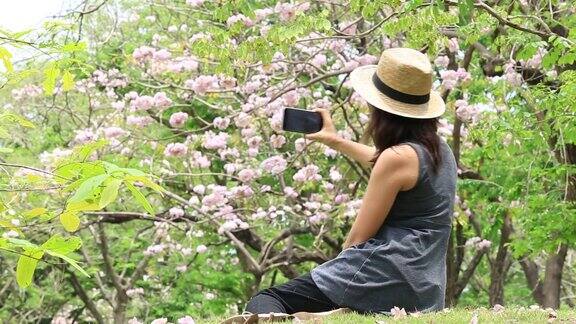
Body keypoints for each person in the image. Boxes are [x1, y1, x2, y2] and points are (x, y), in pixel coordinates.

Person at [244, 47, 458, 316]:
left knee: (266, 300)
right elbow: (384, 161)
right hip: (424, 287)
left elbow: (357, 238)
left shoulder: (395, 158)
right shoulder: (439, 150)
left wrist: (339, 278)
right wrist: (335, 140)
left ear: (380, 110)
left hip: (384, 275)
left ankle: (341, 307)